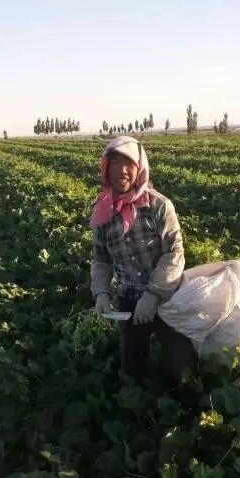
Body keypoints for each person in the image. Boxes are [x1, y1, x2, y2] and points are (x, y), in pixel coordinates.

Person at [89, 135, 197, 392]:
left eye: (129, 163)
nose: (122, 171)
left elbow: (174, 253)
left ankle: (182, 405)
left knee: (182, 371)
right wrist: (102, 293)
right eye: (115, 162)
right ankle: (135, 407)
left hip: (166, 297)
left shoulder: (160, 206)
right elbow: (101, 259)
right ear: (106, 167)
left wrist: (153, 294)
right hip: (128, 298)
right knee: (131, 369)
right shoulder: (102, 212)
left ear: (139, 168)